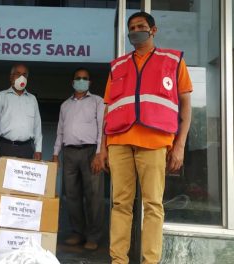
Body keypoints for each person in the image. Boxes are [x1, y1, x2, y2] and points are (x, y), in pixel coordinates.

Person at [98, 12, 192, 264]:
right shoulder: (118, 65)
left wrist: (179, 144)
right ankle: (118, 260)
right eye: (132, 27)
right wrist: (102, 148)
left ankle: (150, 261)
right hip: (119, 141)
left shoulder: (172, 60)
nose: (135, 30)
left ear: (153, 30)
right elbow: (108, 109)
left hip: (155, 140)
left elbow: (185, 105)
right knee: (120, 204)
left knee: (152, 205)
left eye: (141, 26)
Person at [52, 67, 105, 251]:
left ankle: (94, 235)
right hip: (69, 153)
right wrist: (55, 154)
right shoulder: (65, 105)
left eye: (85, 78)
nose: (81, 80)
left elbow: (102, 129)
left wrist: (99, 153)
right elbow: (60, 130)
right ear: (72, 81)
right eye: (78, 78)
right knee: (72, 195)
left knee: (94, 196)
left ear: (90, 82)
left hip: (91, 152)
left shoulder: (98, 101)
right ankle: (78, 232)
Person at [0, 63, 42, 182]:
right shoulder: (1, 96)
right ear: (11, 77)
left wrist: (38, 149)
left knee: (23, 185)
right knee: (4, 184)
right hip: (5, 147)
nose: (21, 77)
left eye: (24, 75)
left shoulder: (32, 99)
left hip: (27, 148)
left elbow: (37, 125)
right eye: (18, 74)